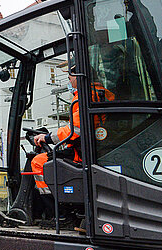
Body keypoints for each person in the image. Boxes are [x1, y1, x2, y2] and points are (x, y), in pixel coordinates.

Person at [32, 64, 114, 196]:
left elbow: (75, 129)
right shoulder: (104, 93)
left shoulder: (85, 96)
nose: (69, 81)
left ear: (77, 76)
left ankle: (54, 207)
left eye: (69, 77)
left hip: (83, 152)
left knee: (38, 162)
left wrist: (47, 138)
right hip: (93, 148)